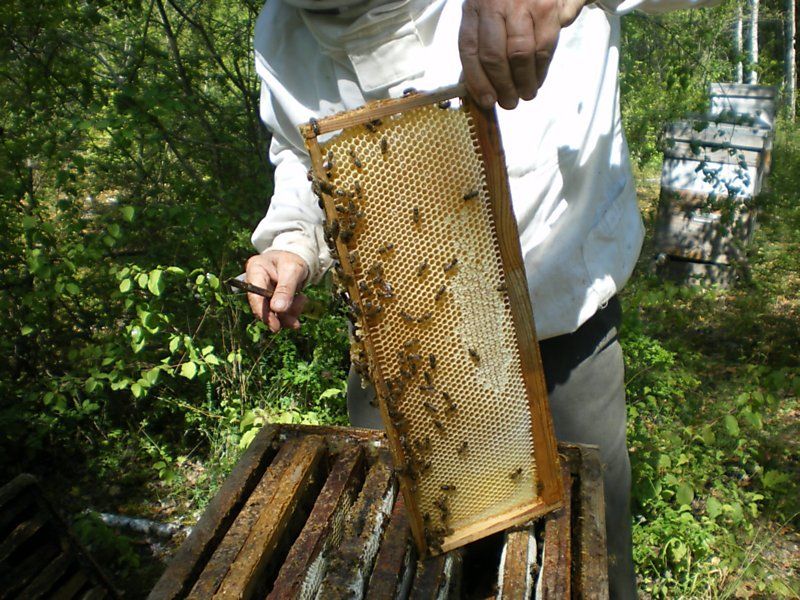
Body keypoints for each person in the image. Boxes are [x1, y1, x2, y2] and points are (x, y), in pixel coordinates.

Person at [244, 0, 715, 595]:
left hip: (561, 348)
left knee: (591, 568)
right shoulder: (280, 28)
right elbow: (300, 151)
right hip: (406, 360)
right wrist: (293, 241)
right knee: (403, 566)